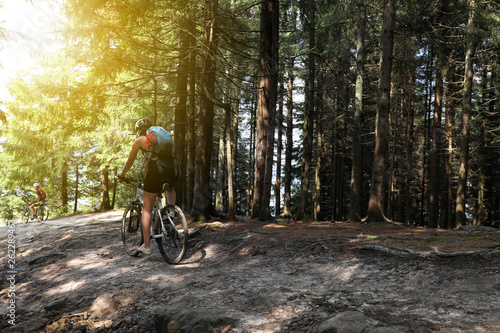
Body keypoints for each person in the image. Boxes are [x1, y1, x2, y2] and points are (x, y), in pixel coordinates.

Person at [118, 118, 178, 255]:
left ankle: (146, 246)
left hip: (156, 173)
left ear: (139, 130)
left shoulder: (140, 140)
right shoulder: (159, 141)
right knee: (170, 188)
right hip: (172, 169)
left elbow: (130, 160)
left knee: (147, 209)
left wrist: (122, 174)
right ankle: (171, 213)